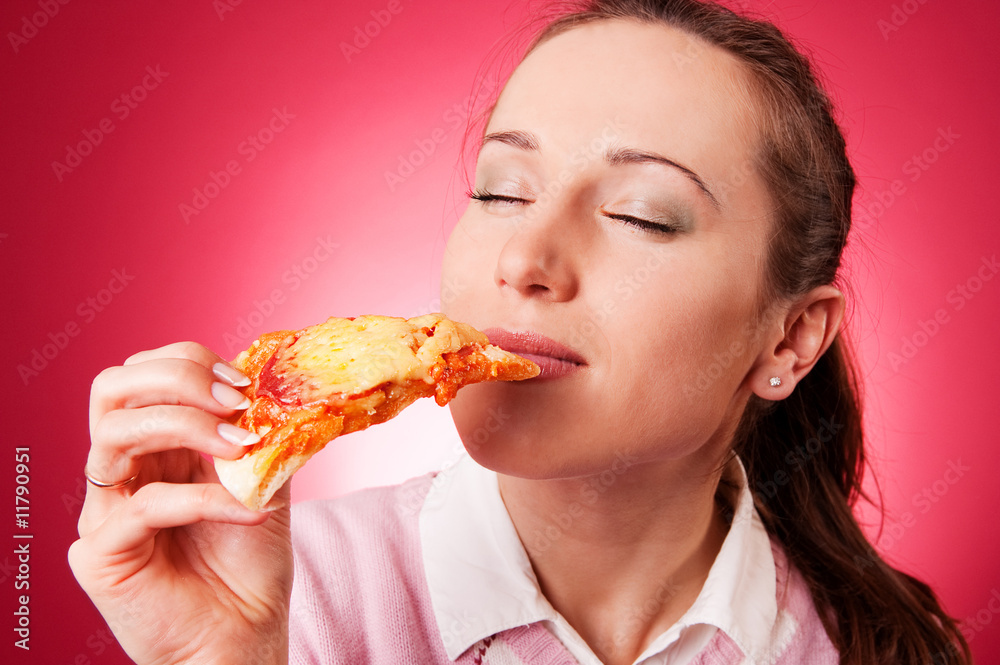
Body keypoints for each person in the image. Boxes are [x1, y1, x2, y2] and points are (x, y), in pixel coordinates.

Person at [69, 1, 972, 664]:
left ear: (790, 340)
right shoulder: (282, 592)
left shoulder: (868, 646)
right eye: (501, 191)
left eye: (643, 214)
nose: (525, 256)